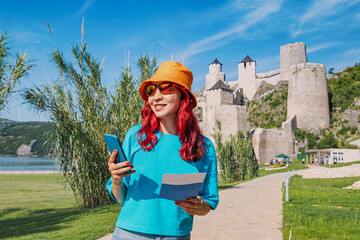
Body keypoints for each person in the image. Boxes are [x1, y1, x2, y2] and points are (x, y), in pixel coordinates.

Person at [106, 61, 219, 240]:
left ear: (184, 96)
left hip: (177, 235)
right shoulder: (135, 136)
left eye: (166, 89)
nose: (156, 97)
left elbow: (210, 201)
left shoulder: (204, 147)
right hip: (130, 233)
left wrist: (199, 207)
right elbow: (120, 198)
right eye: (151, 90)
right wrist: (117, 181)